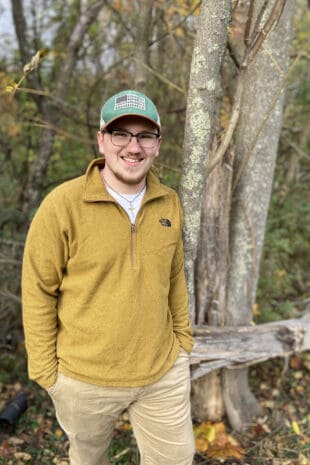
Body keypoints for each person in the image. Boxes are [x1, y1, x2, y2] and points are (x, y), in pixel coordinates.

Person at [22, 89, 195, 465]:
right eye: (121, 134)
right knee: (89, 459)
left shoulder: (169, 202)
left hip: (161, 373)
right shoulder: (62, 205)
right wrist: (46, 372)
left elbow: (175, 276)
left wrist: (182, 342)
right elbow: (38, 289)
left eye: (144, 136)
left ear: (157, 145)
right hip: (83, 379)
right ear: (101, 140)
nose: (133, 147)